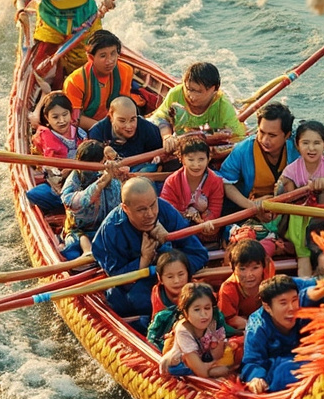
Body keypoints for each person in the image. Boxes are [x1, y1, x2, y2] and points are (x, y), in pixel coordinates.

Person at [91, 177, 209, 321]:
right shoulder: (110, 230)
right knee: (130, 300)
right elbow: (116, 279)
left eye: (153, 205)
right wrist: (144, 260)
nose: (151, 214)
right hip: (137, 286)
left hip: (174, 276)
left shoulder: (165, 209)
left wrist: (168, 249)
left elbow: (199, 254)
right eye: (142, 210)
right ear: (125, 208)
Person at [218, 102, 299, 242]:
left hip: (287, 208)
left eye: (272, 135)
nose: (265, 140)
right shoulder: (243, 149)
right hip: (248, 209)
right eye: (261, 132)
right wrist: (252, 206)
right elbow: (225, 183)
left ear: (287, 135)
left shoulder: (297, 148)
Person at [275, 120, 324, 277]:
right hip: (298, 221)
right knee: (304, 257)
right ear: (297, 145)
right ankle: (306, 281)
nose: (311, 148)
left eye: (317, 143)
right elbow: (288, 205)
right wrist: (298, 189)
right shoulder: (291, 171)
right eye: (305, 143)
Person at [241, 275, 324, 394]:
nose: (291, 308)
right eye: (283, 303)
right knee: (284, 371)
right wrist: (257, 378)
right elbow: (253, 361)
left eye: (294, 300)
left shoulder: (305, 307)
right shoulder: (257, 326)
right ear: (267, 307)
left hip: (312, 360)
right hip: (280, 372)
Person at [149, 62, 246, 155]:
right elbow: (160, 117)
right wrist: (167, 136)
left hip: (205, 149)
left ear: (214, 89)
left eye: (198, 92)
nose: (191, 96)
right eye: (188, 89)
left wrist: (217, 151)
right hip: (177, 143)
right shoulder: (176, 94)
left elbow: (238, 137)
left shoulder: (223, 105)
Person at [61, 29, 144, 130]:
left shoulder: (125, 71)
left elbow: (123, 104)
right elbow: (75, 118)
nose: (110, 61)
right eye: (103, 56)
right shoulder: (75, 81)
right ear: (91, 58)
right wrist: (105, 129)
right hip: (89, 128)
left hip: (118, 123)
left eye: (113, 53)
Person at [59, 140, 122, 260]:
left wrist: (116, 158)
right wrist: (99, 184)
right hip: (80, 230)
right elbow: (72, 203)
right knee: (72, 253)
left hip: (109, 226)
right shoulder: (73, 180)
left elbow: (126, 178)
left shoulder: (110, 171)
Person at [158, 282, 234, 378]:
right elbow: (202, 372)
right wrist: (215, 368)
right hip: (183, 366)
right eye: (197, 310)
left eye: (207, 308)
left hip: (203, 361)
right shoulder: (183, 330)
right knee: (221, 371)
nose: (204, 314)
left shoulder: (213, 322)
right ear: (185, 312)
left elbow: (216, 356)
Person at [28, 92, 85, 214]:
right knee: (33, 194)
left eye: (65, 115)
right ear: (47, 118)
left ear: (71, 113)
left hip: (82, 184)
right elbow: (49, 172)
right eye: (55, 117)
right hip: (58, 186)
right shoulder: (44, 137)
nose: (62, 120)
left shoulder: (81, 134)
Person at [160, 137, 224, 243]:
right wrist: (189, 216)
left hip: (205, 230)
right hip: (178, 230)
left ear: (209, 159)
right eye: (191, 160)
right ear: (181, 159)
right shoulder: (172, 182)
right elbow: (168, 212)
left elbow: (215, 210)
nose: (196, 165)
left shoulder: (216, 181)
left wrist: (205, 223)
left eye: (201, 159)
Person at [86, 96, 163, 172]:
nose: (129, 126)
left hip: (139, 171)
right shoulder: (97, 132)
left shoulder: (148, 128)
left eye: (133, 119)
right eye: (122, 121)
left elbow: (160, 153)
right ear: (111, 116)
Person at [217, 237, 275, 331]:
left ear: (264, 266)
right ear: (232, 267)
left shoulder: (269, 278)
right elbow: (229, 320)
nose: (249, 275)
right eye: (242, 269)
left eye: (255, 268)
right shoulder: (228, 289)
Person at [150, 249, 192, 317]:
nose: (176, 281)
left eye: (181, 274)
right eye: (170, 277)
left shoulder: (198, 290)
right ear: (160, 278)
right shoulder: (157, 293)